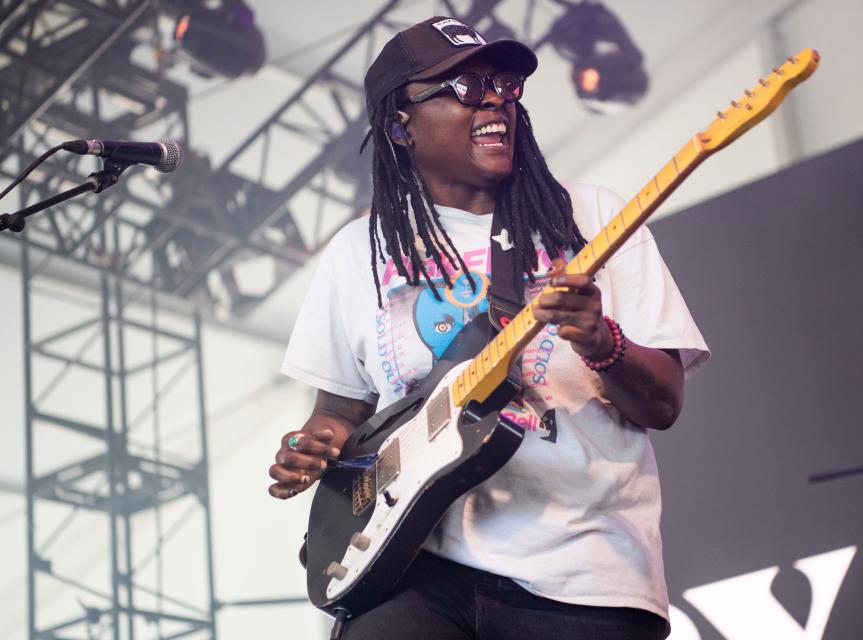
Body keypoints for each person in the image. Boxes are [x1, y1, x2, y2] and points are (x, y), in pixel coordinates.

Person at [269, 16, 709, 640]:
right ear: (401, 125)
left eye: (503, 83)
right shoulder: (356, 252)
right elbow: (338, 411)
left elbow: (663, 401)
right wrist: (311, 444)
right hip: (413, 568)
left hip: (583, 574)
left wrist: (597, 338)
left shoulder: (594, 217)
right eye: (466, 86)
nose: (496, 98)